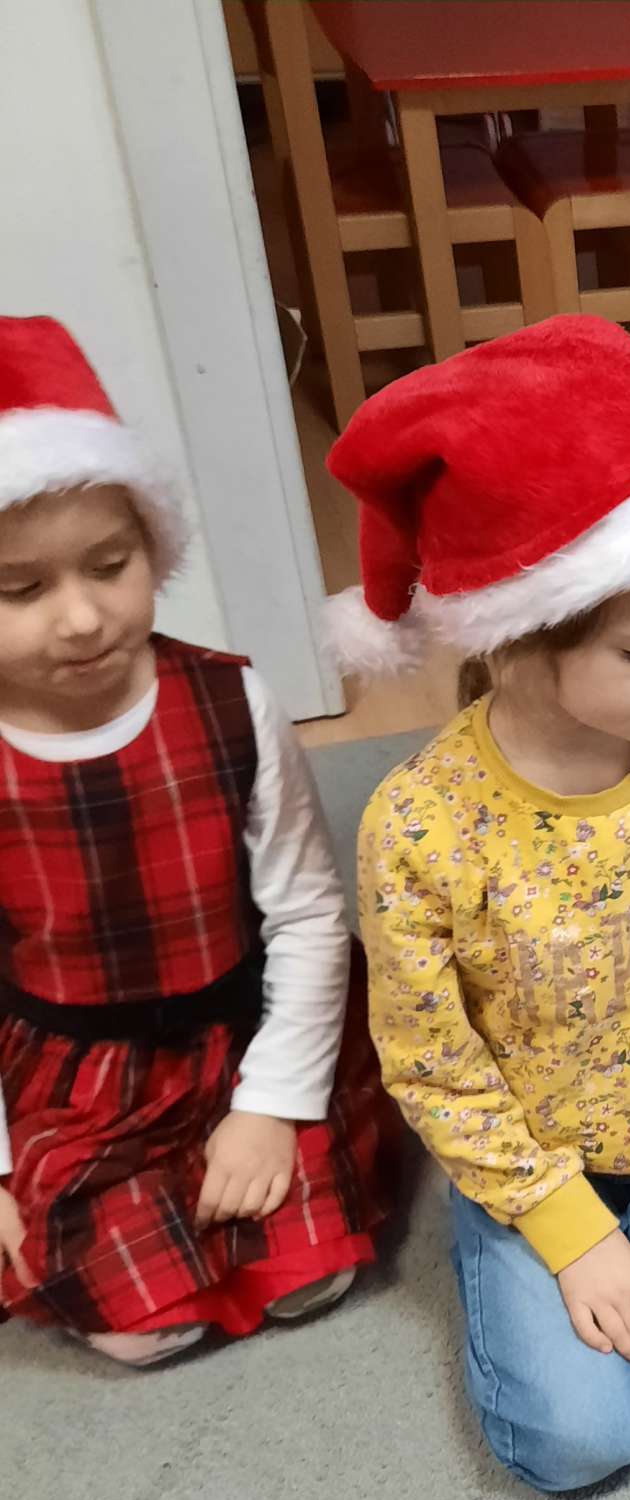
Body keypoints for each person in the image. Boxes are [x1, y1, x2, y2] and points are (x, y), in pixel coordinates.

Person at [340, 318, 630, 1493]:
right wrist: (560, 1225)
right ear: (512, 645)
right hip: (532, 1158)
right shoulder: (420, 825)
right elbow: (431, 1061)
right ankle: (508, 1242)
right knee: (575, 1443)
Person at [0, 317, 391, 1366]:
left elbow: (307, 912)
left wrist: (274, 1104)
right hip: (78, 1078)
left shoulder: (230, 700)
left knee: (311, 1271)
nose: (81, 618)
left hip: (242, 1029)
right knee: (144, 1324)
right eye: (21, 589)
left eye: (110, 565)